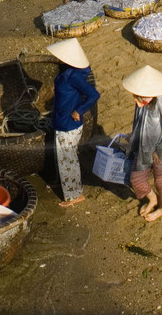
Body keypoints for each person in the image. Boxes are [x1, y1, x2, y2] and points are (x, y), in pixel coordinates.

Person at [120, 65, 162, 222]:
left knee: (161, 182)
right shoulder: (141, 102)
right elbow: (139, 123)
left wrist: (158, 150)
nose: (137, 98)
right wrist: (133, 137)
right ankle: (152, 198)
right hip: (143, 149)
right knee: (136, 179)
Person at [47, 38, 100, 208]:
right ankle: (63, 183)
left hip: (69, 125)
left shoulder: (74, 76)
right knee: (62, 157)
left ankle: (75, 194)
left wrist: (79, 110)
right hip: (61, 120)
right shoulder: (66, 73)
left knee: (68, 160)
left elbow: (93, 95)